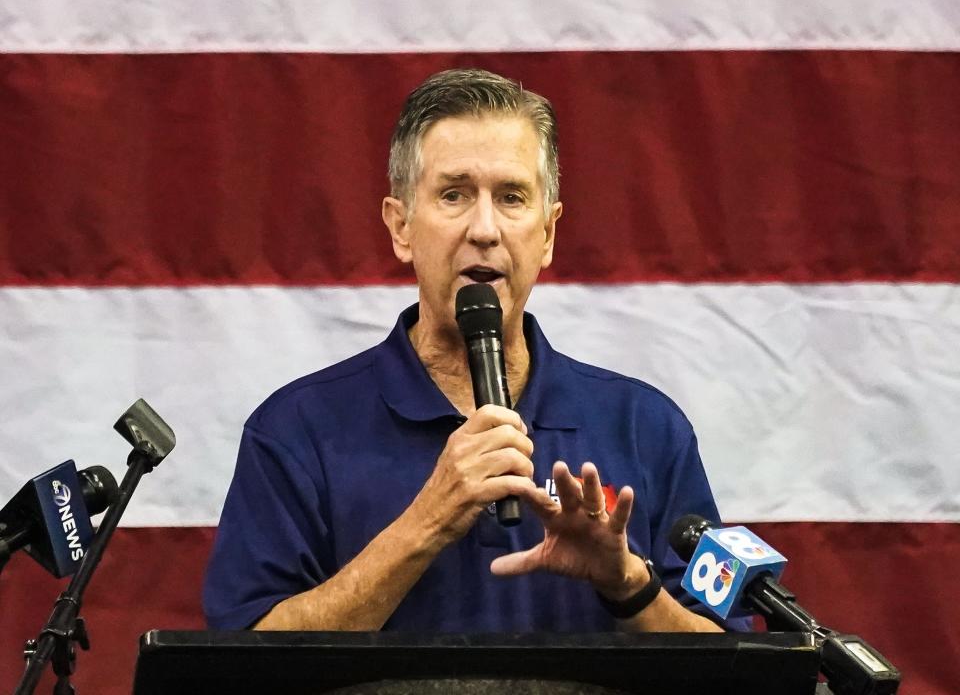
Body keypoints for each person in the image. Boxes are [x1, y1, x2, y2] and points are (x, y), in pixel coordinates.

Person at [203, 68, 750, 633]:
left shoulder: (645, 427)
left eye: (512, 197)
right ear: (401, 227)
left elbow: (735, 666)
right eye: (454, 194)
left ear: (549, 235)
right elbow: (244, 659)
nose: (484, 228)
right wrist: (428, 521)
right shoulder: (296, 430)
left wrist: (627, 585)